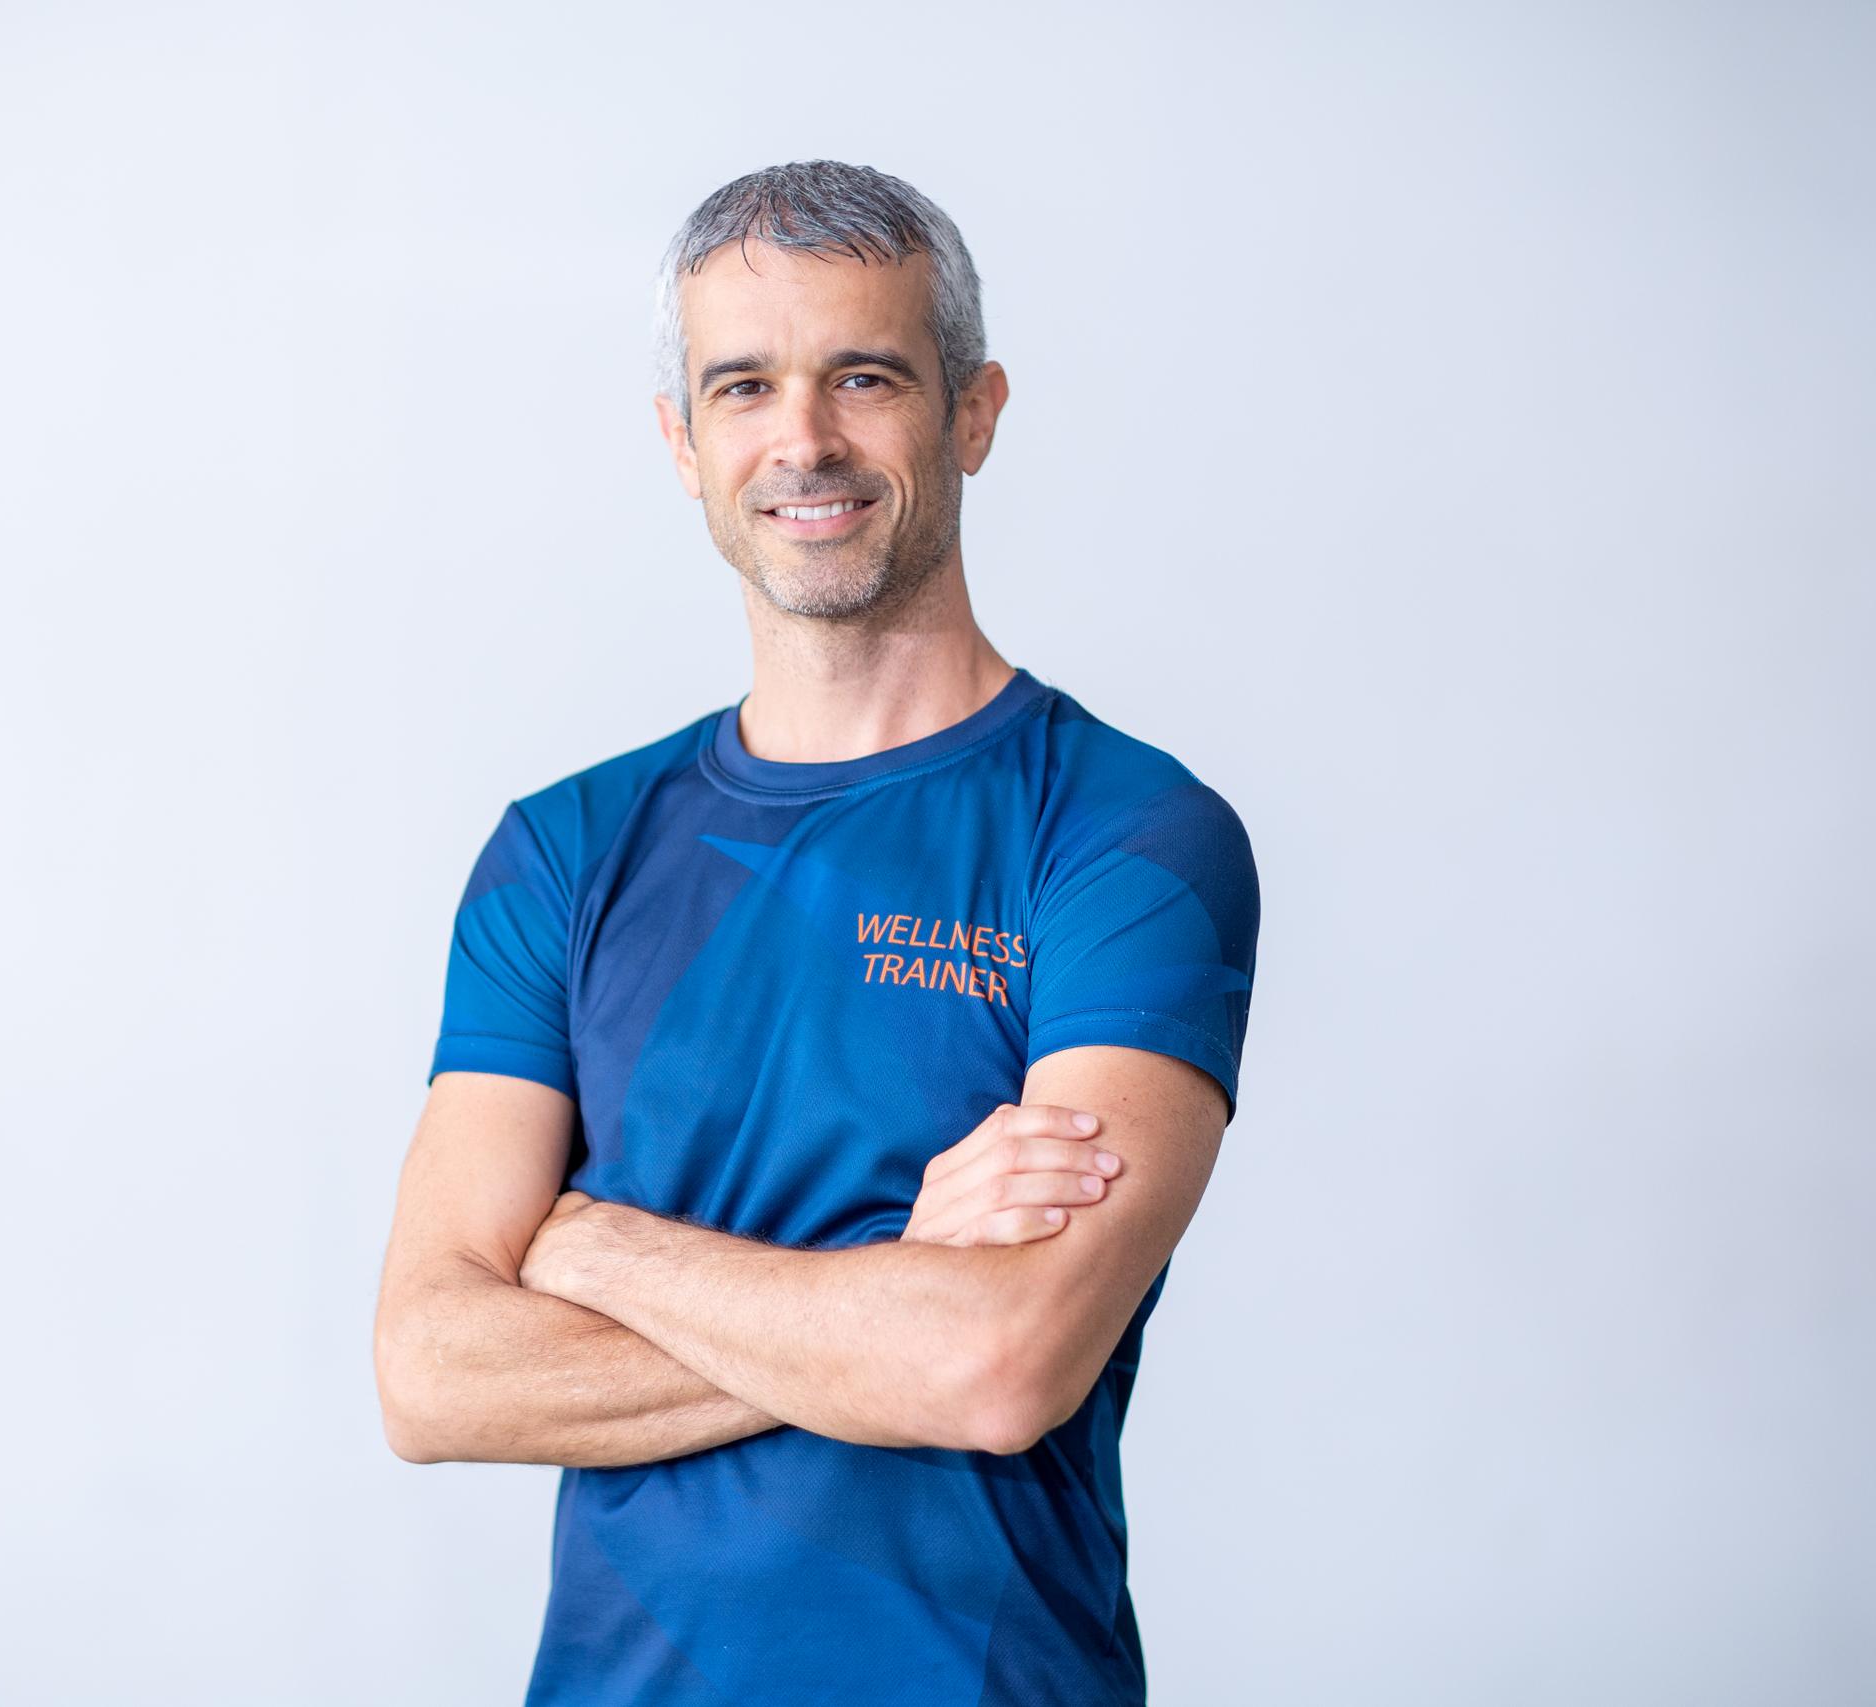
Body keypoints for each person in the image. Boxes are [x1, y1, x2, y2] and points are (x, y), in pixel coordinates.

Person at [372, 158, 1261, 1706]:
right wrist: (896, 1285)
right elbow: (433, 1372)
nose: (803, 440)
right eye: (744, 386)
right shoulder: (563, 853)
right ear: (682, 440)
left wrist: (591, 1245)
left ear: (973, 411)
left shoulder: (1127, 837)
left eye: (864, 376)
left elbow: (997, 1364)